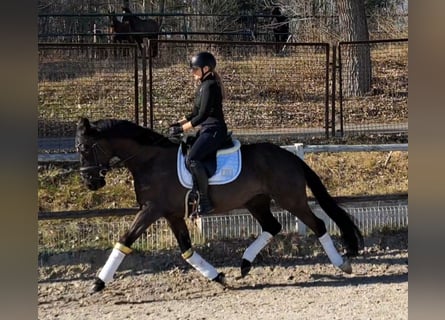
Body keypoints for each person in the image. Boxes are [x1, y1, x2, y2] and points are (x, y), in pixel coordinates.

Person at [169, 51, 228, 215]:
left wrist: (182, 129)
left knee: (193, 158)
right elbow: (194, 113)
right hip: (206, 129)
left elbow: (202, 116)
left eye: (195, 69)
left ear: (206, 68)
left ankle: (205, 201)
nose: (192, 72)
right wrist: (177, 123)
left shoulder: (210, 86)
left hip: (215, 130)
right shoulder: (203, 86)